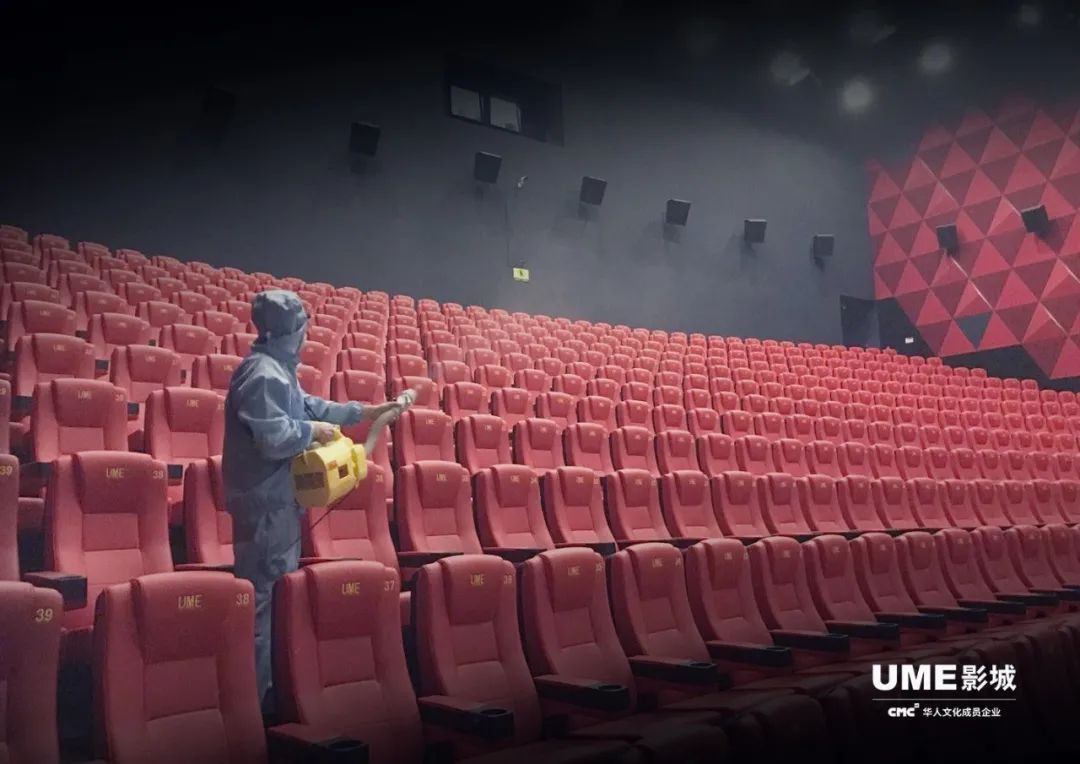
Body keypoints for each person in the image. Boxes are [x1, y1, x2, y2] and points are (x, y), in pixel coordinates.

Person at [223, 290, 402, 711]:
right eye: (300, 329)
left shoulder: (277, 370)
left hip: (279, 503)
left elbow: (309, 405)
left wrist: (363, 413)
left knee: (275, 600)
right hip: (266, 507)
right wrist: (313, 432)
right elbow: (274, 437)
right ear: (285, 332)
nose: (305, 337)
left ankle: (270, 697)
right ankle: (256, 709)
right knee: (264, 606)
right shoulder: (263, 375)